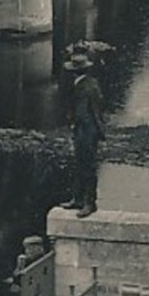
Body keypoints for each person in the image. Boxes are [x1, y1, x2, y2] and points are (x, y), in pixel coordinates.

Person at [58, 54, 104, 217]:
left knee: (87, 166)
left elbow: (83, 112)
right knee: (80, 164)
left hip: (87, 130)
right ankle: (78, 199)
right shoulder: (87, 83)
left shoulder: (86, 86)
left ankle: (89, 203)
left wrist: (74, 124)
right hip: (85, 129)